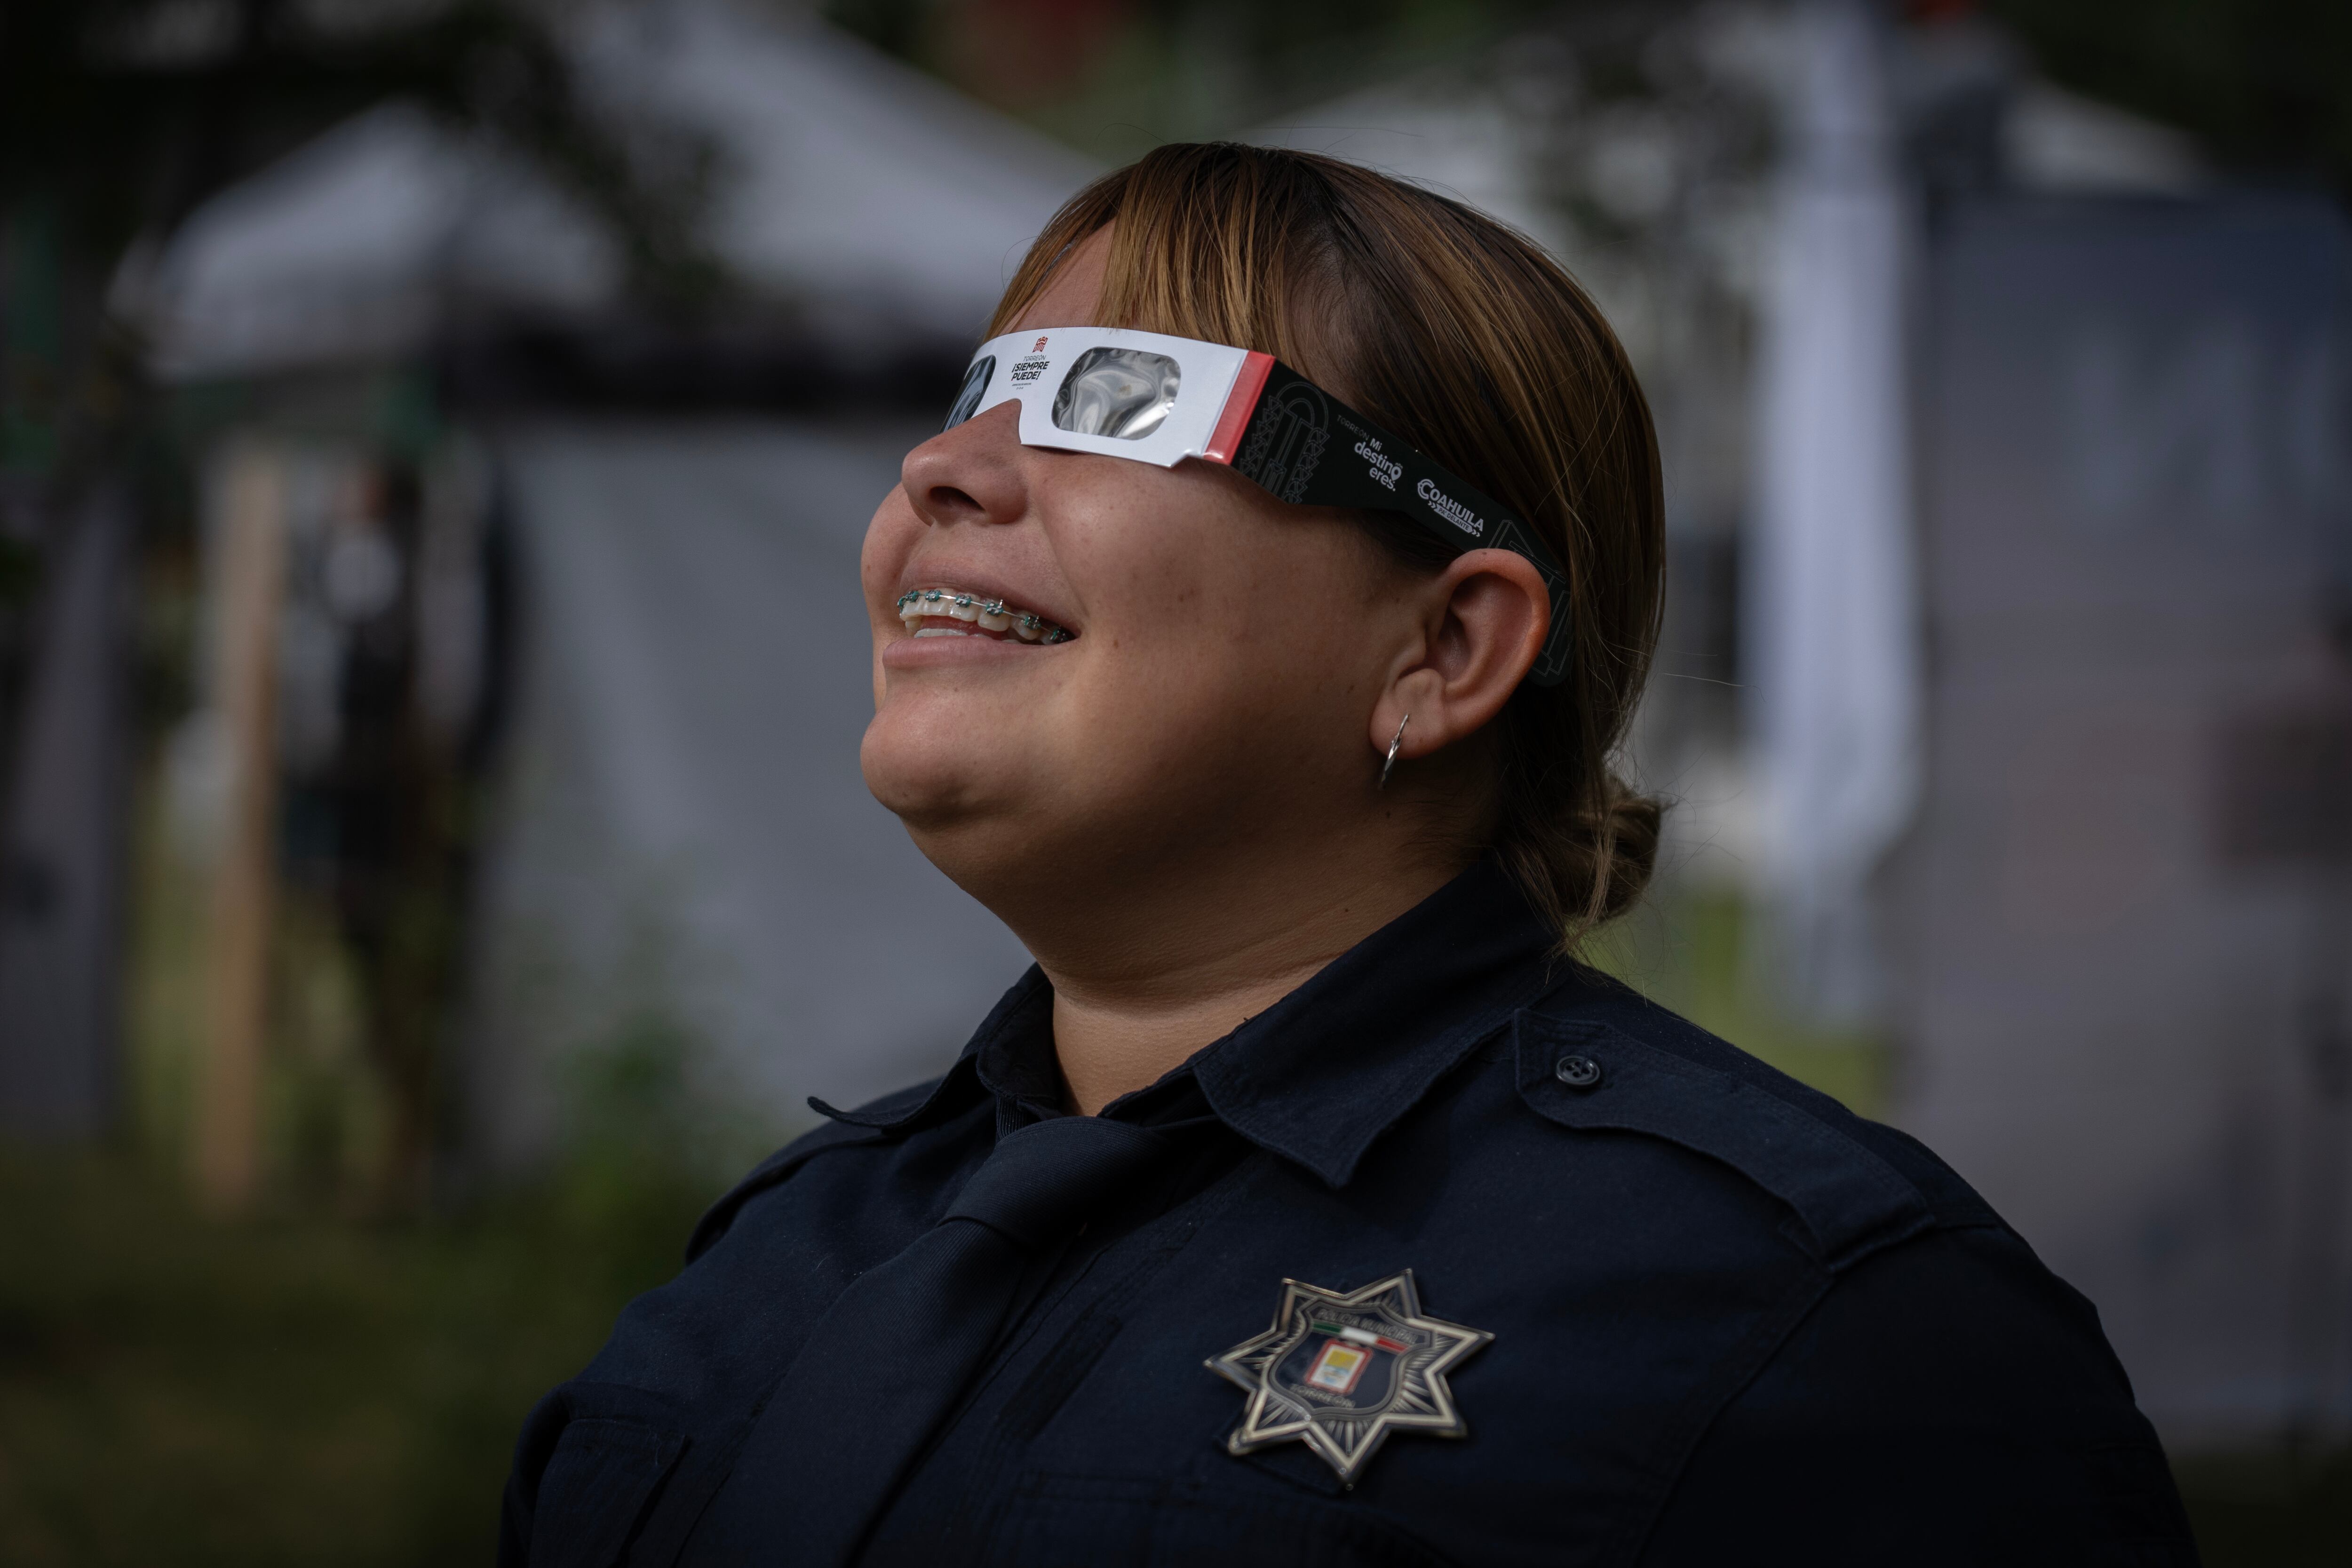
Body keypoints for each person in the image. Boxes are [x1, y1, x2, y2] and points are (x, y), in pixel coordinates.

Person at [500, 143, 2197, 1567]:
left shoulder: (1815, 1330)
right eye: (975, 394)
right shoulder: (783, 1254)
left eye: (1118, 397)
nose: (944, 467)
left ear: (1446, 646)